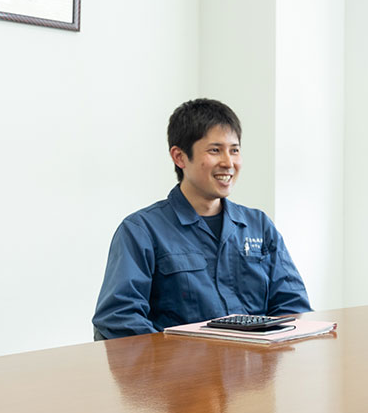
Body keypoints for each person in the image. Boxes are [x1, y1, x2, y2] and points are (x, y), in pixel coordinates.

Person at [92, 98, 311, 338]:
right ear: (179, 157)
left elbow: (293, 308)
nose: (229, 163)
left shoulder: (259, 226)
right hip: (180, 374)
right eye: (215, 150)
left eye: (234, 150)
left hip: (256, 371)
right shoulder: (141, 231)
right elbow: (119, 319)